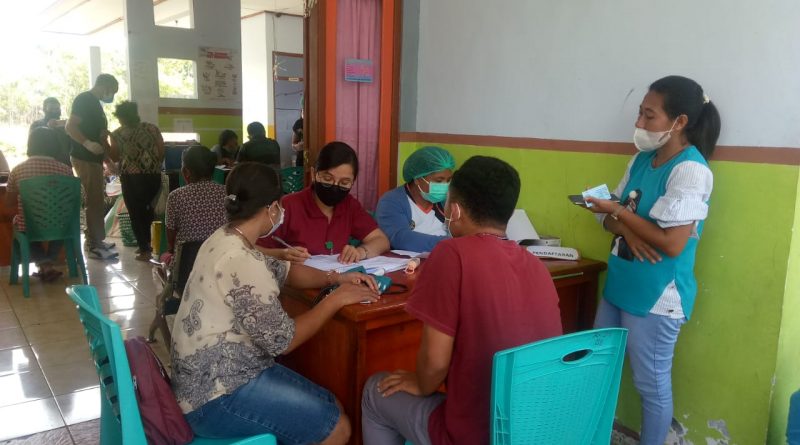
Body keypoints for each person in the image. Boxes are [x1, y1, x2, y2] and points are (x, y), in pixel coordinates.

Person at [171, 162, 381, 444]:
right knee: (338, 428)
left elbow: (285, 272)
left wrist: (336, 278)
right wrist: (336, 299)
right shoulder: (241, 259)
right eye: (280, 205)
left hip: (221, 376)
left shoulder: (226, 237)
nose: (281, 212)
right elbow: (285, 341)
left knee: (333, 406)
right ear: (271, 208)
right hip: (214, 397)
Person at [361, 156, 563, 445]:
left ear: (454, 210)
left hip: (474, 434)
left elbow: (434, 364)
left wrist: (421, 383)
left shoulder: (451, 254)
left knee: (375, 390)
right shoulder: (536, 265)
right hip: (530, 427)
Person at [580, 75, 720, 445]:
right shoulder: (642, 160)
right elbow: (607, 218)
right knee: (599, 368)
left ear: (680, 122)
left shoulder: (691, 170)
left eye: (649, 115)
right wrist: (626, 227)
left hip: (658, 296)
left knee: (651, 386)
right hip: (621, 283)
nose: (639, 123)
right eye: (640, 114)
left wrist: (619, 216)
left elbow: (671, 244)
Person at [256, 141, 390, 264]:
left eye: (344, 182)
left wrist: (360, 252)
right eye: (327, 178)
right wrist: (281, 254)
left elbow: (381, 240)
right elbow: (250, 247)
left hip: (338, 278)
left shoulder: (349, 205)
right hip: (295, 280)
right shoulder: (288, 206)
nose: (335, 186)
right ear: (313, 174)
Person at [5, 128, 74, 282]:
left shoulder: (18, 170)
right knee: (62, 227)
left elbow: (8, 202)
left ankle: (45, 265)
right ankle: (47, 264)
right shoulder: (66, 170)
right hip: (59, 223)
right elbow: (70, 202)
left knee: (24, 225)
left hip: (30, 224)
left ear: (30, 145)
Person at [65, 73, 119, 260]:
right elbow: (70, 127)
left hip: (95, 159)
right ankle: (92, 243)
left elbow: (100, 136)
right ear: (104, 86)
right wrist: (86, 143)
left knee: (98, 200)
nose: (112, 96)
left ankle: (98, 240)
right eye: (112, 91)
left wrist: (107, 160)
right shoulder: (84, 99)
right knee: (93, 200)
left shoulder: (96, 105)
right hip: (83, 156)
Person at [109, 101, 165, 261]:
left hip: (131, 178)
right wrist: (153, 166)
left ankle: (144, 249)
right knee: (149, 210)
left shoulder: (117, 134)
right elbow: (161, 151)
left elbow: (114, 157)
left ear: (121, 117)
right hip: (153, 176)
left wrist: (105, 141)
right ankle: (153, 246)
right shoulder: (152, 128)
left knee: (135, 213)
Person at [375, 146, 455, 252]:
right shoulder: (391, 201)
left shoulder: (446, 201)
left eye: (448, 180)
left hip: (445, 255)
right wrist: (449, 244)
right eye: (439, 181)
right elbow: (401, 239)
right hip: (408, 260)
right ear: (417, 179)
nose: (445, 186)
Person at [163, 145, 227, 266]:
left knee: (165, 257)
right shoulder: (226, 192)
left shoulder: (175, 196)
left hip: (187, 263)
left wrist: (171, 250)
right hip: (220, 260)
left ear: (186, 172)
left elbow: (170, 234)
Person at [29, 97, 71, 166]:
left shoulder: (66, 124)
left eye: (57, 109)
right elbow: (33, 146)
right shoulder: (36, 125)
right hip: (43, 163)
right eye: (51, 109)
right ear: (44, 109)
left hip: (64, 163)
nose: (54, 111)